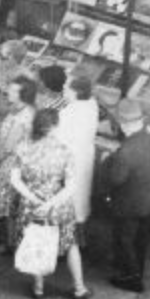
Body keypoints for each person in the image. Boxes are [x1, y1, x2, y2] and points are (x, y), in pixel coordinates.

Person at [10, 108, 92, 299]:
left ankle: (38, 288)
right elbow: (71, 186)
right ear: (55, 126)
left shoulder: (23, 147)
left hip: (31, 207)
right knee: (71, 244)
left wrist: (33, 199)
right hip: (58, 207)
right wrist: (50, 203)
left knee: (36, 242)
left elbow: (15, 180)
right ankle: (79, 288)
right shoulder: (64, 150)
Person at [100, 99, 150, 293]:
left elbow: (116, 179)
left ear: (124, 124)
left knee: (125, 239)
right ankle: (137, 270)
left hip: (129, 204)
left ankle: (133, 279)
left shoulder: (125, 151)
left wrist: (107, 160)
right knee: (141, 239)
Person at [0, 76, 38, 255]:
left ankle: (11, 244)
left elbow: (8, 146)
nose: (7, 92)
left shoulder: (22, 116)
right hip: (20, 164)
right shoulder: (24, 110)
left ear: (22, 94)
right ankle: (16, 243)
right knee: (15, 206)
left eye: (12, 90)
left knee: (10, 207)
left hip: (11, 165)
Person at [57, 75, 100, 228]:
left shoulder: (69, 112)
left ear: (76, 92)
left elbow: (58, 139)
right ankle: (78, 227)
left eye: (66, 87)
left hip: (71, 158)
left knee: (69, 195)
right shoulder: (91, 104)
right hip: (85, 156)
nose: (63, 88)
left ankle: (67, 233)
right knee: (81, 194)